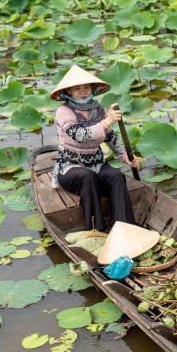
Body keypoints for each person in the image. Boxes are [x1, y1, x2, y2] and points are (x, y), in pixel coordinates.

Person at [50, 65, 141, 232]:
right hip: (70, 167)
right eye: (77, 88)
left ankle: (125, 229)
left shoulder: (97, 108)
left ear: (92, 88)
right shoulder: (64, 111)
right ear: (69, 91)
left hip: (96, 164)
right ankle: (96, 230)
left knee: (117, 177)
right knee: (87, 176)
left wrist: (124, 156)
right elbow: (79, 135)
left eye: (86, 87)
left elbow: (110, 137)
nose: (83, 91)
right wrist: (106, 122)